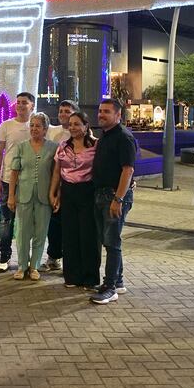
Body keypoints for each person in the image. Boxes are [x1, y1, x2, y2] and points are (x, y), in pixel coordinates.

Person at [90, 98, 138, 305]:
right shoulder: (106, 135)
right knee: (107, 240)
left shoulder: (124, 137)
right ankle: (117, 281)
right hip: (102, 194)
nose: (101, 115)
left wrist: (118, 199)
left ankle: (109, 287)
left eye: (107, 112)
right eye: (100, 111)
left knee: (112, 241)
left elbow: (128, 170)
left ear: (118, 115)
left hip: (114, 196)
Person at [50, 111, 100, 289]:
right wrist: (53, 193)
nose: (72, 127)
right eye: (70, 124)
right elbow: (57, 171)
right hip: (68, 192)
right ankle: (71, 276)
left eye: (77, 124)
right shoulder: (63, 146)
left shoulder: (96, 145)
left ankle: (90, 278)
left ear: (86, 126)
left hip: (88, 192)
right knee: (70, 235)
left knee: (88, 236)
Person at [7, 113, 58, 281]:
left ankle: (34, 266)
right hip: (23, 196)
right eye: (32, 125)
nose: (34, 129)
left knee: (40, 233)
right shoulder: (21, 147)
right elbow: (14, 173)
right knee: (22, 232)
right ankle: (22, 266)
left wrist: (54, 194)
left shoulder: (53, 147)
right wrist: (11, 196)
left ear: (45, 129)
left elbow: (56, 173)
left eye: (38, 126)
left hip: (44, 198)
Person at [0, 92, 35, 273]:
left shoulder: (37, 125)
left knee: (29, 222)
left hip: (30, 180)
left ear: (32, 105)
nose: (20, 105)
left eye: (24, 103)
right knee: (6, 221)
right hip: (8, 180)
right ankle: (4, 257)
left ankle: (27, 260)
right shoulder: (6, 126)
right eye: (18, 102)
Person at [42, 99, 76, 272]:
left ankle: (70, 260)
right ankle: (53, 257)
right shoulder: (52, 131)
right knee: (54, 224)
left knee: (69, 225)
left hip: (72, 187)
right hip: (53, 184)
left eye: (67, 111)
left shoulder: (81, 135)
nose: (63, 114)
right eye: (61, 110)